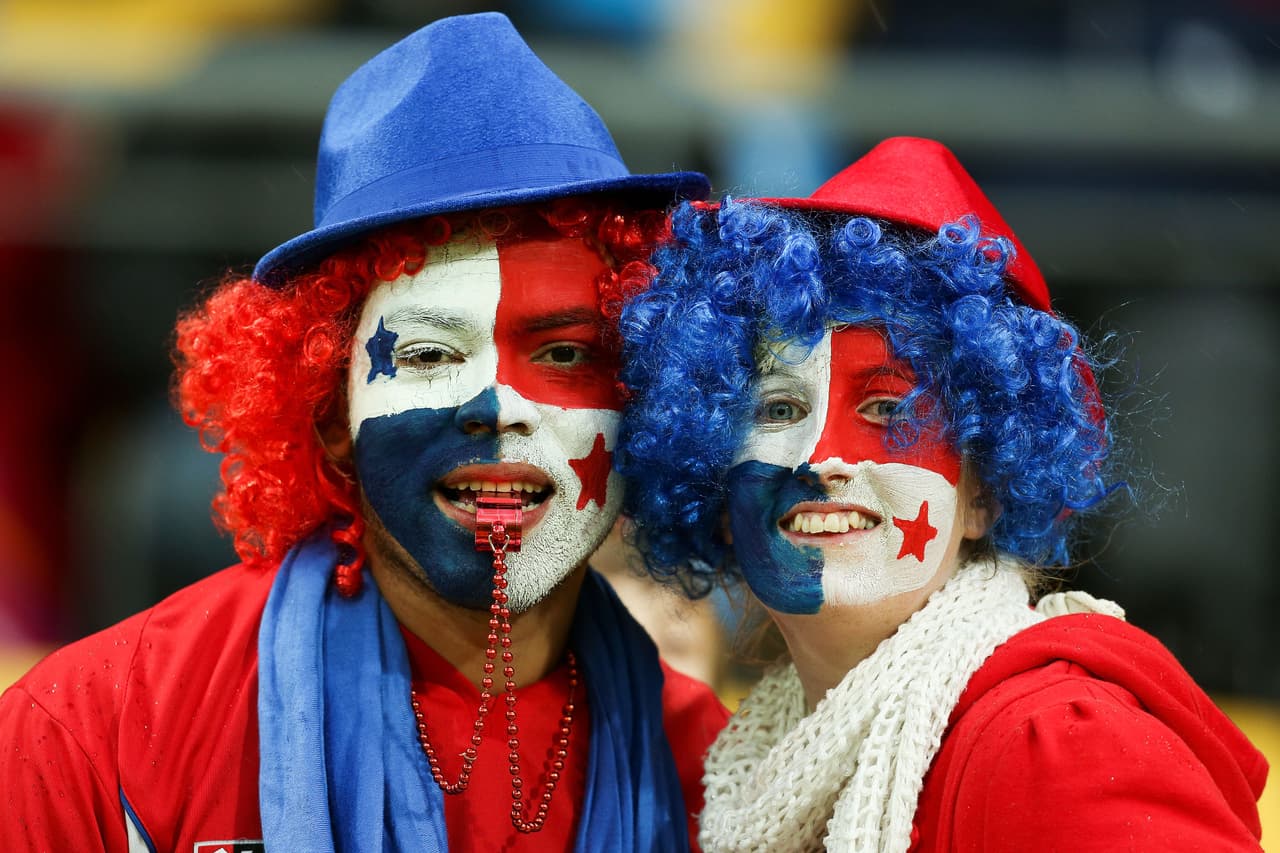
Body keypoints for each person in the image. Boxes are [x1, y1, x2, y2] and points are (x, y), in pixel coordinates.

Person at [0, 13, 729, 852]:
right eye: (427, 351)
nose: (496, 405)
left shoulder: (716, 778)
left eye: (564, 351)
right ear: (329, 410)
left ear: (644, 398)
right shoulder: (96, 734)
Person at [617, 136, 1268, 851]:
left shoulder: (1057, 740)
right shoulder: (752, 765)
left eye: (889, 410)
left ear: (984, 490)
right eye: (777, 409)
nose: (820, 458)